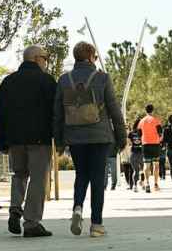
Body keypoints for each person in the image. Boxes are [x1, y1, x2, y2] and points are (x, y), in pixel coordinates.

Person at [53, 41, 127, 238]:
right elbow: (114, 110)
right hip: (100, 135)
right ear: (91, 57)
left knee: (81, 174)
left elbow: (58, 114)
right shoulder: (102, 78)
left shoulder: (64, 79)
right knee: (97, 178)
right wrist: (121, 137)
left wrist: (59, 140)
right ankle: (96, 224)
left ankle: (77, 208)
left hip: (75, 136)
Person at [0, 45, 57, 238]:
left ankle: (15, 208)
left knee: (19, 174)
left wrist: (1, 139)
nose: (46, 62)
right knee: (38, 179)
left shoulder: (8, 81)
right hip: (39, 139)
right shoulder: (46, 81)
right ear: (37, 59)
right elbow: (56, 112)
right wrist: (59, 137)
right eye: (45, 58)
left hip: (15, 140)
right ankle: (31, 222)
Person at [138, 104, 162, 193]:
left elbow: (139, 133)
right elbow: (160, 132)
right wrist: (158, 140)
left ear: (145, 111)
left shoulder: (141, 121)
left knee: (146, 165)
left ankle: (147, 183)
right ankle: (155, 185)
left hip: (145, 144)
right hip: (155, 144)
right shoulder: (156, 120)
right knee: (156, 164)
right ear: (152, 110)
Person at [128, 117, 144, 192]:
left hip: (133, 153)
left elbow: (129, 143)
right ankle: (143, 183)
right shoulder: (142, 132)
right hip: (141, 153)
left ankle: (135, 186)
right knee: (143, 169)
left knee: (136, 171)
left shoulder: (130, 133)